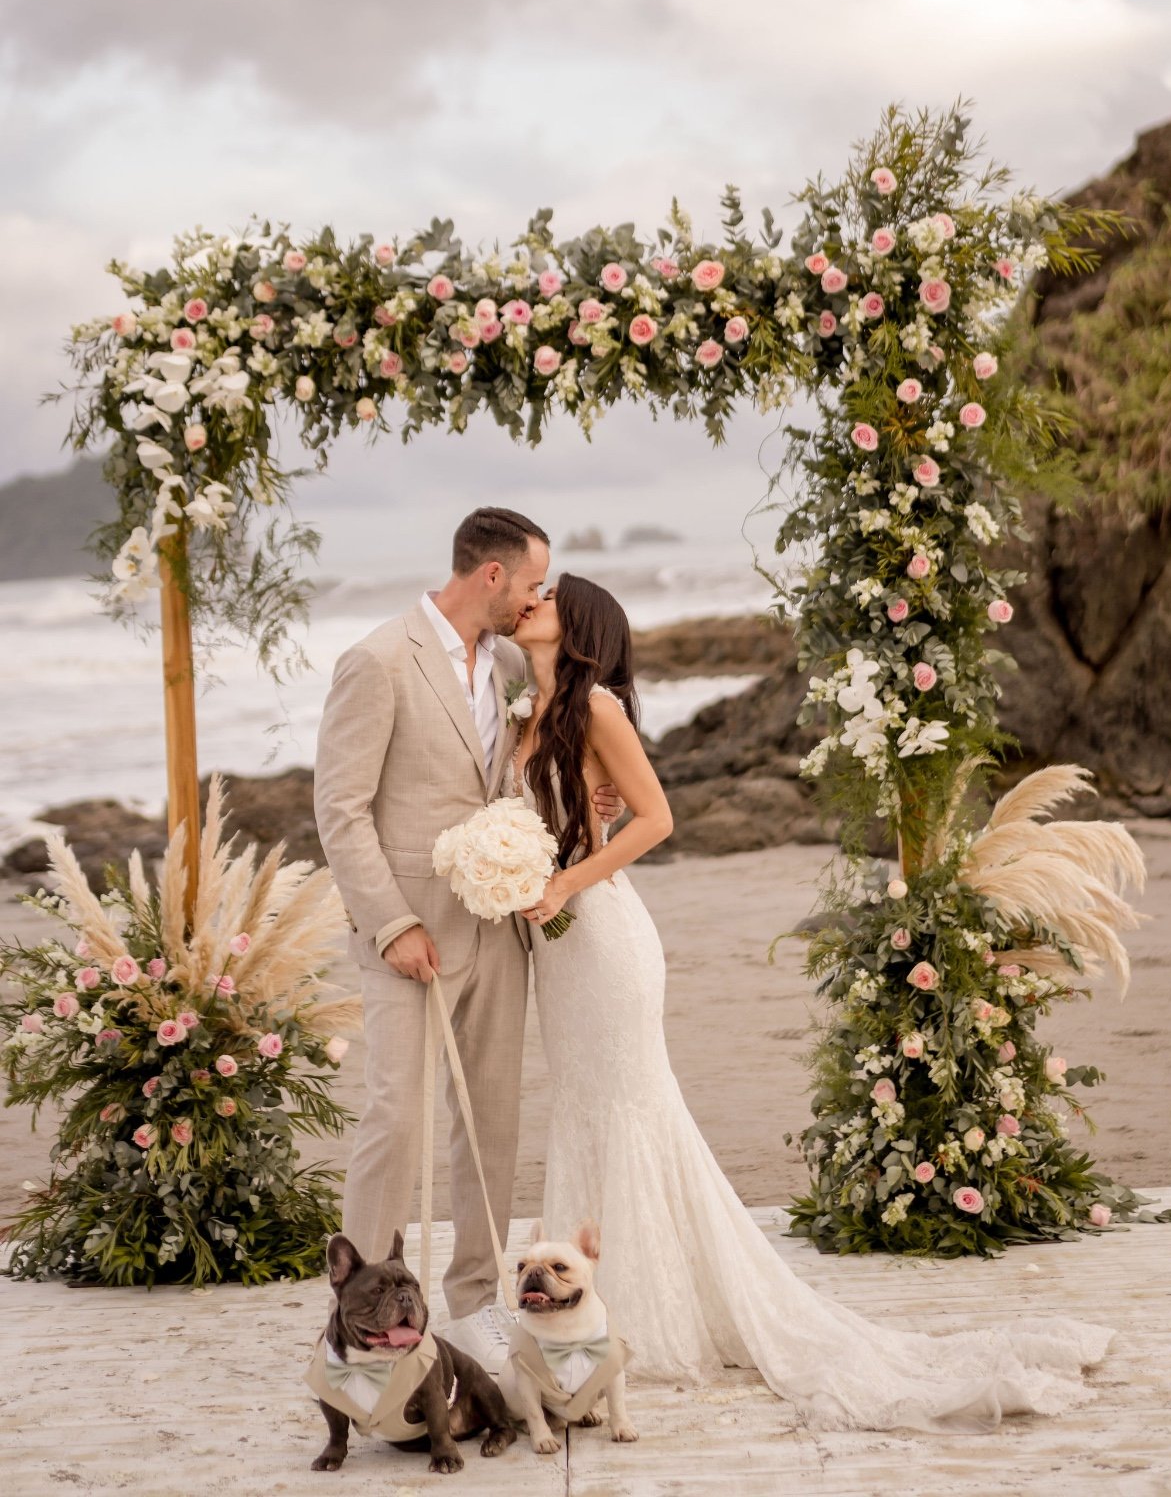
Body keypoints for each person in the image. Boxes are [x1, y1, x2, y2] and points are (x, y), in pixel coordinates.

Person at [510, 571, 1114, 1432]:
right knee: (582, 1107)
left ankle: (637, 1317)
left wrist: (567, 881)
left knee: (628, 1108)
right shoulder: (526, 711)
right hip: (555, 949)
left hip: (602, 939)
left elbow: (658, 820)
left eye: (549, 592)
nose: (531, 598)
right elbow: (575, 816)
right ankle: (589, 1312)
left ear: (581, 627)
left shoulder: (596, 707)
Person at [313, 508, 619, 1374]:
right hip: (409, 935)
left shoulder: (517, 665)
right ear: (491, 575)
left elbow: (518, 779)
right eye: (529, 584)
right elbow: (339, 811)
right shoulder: (377, 660)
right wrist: (393, 922)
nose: (534, 601)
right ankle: (358, 1320)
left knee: (489, 1124)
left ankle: (476, 1309)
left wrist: (584, 808)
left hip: (498, 929)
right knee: (396, 1115)